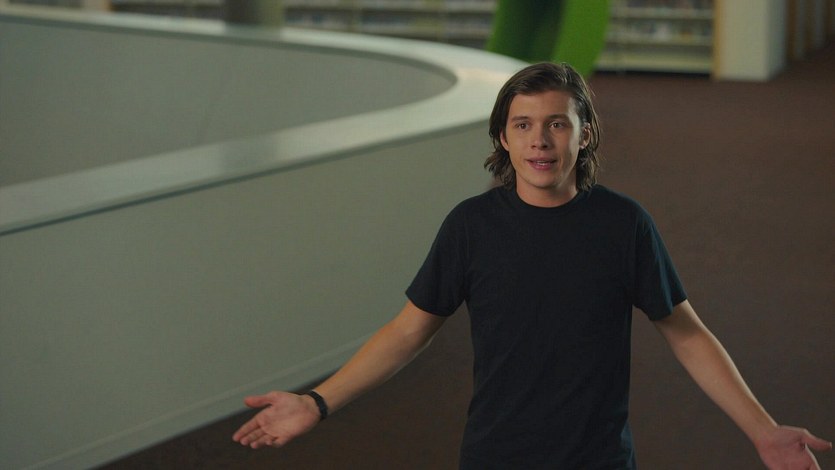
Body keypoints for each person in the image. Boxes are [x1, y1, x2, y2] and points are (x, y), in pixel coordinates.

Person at [233, 62, 831, 468]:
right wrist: (316, 402)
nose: (539, 140)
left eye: (556, 124)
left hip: (598, 460)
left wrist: (763, 430)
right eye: (523, 125)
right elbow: (407, 331)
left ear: (584, 136)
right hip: (496, 457)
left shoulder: (624, 225)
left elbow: (687, 335)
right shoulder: (471, 226)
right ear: (503, 138)